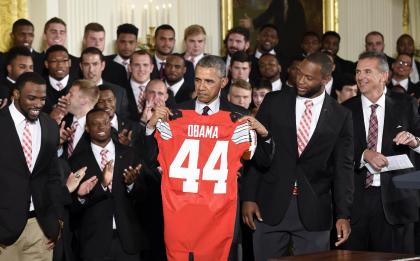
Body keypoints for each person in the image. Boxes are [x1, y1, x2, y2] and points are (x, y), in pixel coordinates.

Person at [242, 52, 354, 260]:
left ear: (326, 79)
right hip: (269, 206)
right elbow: (257, 151)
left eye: (309, 78)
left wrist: (343, 214)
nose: (300, 81)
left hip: (314, 211)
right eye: (299, 74)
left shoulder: (341, 116)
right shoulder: (274, 101)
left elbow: (343, 169)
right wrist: (249, 197)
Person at [145, 55, 255, 260]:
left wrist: (263, 137)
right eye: (197, 80)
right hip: (180, 213)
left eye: (209, 81)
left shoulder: (239, 117)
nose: (201, 87)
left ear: (224, 82)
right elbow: (149, 158)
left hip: (221, 215)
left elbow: (255, 164)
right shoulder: (176, 114)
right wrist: (150, 127)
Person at [342, 51, 420, 253]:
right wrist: (364, 155)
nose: (360, 77)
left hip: (397, 201)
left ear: (384, 76)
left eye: (367, 71)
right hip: (357, 201)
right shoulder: (345, 110)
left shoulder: (406, 104)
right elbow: (338, 152)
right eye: (358, 72)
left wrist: (414, 141)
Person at [0, 72, 64, 261]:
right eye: (31, 98)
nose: (38, 104)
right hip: (4, 229)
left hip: (41, 227)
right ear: (16, 94)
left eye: (42, 99)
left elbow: (53, 177)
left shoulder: (50, 126)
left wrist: (57, 220)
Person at [69, 108, 146, 261]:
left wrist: (131, 185)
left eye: (105, 123)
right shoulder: (77, 161)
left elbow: (145, 197)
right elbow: (72, 206)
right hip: (94, 243)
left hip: (128, 241)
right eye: (95, 124)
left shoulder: (130, 154)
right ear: (87, 128)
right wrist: (88, 193)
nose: (101, 127)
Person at [80, 47, 130, 119]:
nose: (91, 70)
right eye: (86, 64)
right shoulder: (73, 92)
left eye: (95, 64)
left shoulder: (119, 92)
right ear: (81, 66)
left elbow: (124, 122)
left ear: (103, 65)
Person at [82, 22, 129, 89]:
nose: (97, 43)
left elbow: (122, 95)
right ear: (84, 40)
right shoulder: (73, 67)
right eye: (93, 39)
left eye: (101, 39)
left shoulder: (118, 69)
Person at [61, 79, 99, 159]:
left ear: (84, 100)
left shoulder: (100, 128)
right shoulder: (62, 123)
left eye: (70, 94)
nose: (65, 97)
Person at [42, 45, 75, 113]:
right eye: (54, 61)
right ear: (46, 64)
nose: (60, 65)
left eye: (64, 61)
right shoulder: (39, 86)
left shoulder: (78, 85)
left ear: (69, 63)